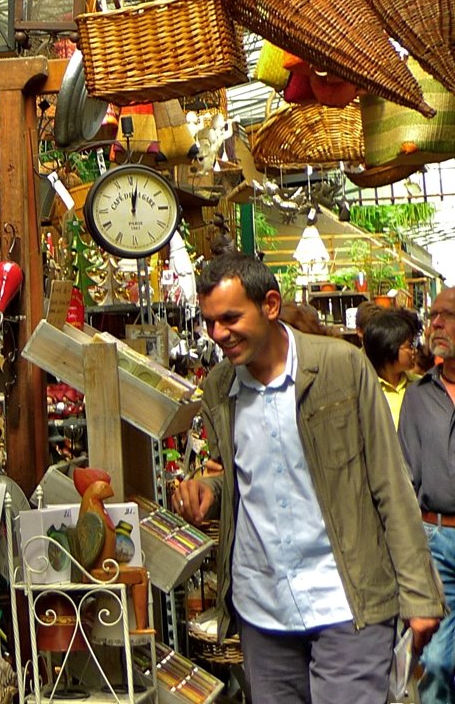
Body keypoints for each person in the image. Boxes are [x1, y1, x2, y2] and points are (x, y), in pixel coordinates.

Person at [174, 252, 441, 704]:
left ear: (271, 305)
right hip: (263, 611)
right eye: (210, 322)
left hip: (346, 601)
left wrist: (420, 596)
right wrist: (210, 491)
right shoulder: (221, 387)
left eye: (230, 318)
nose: (219, 334)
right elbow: (240, 479)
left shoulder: (340, 366)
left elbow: (389, 482)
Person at [397, 287, 455, 704]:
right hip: (436, 540)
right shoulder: (417, 397)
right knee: (436, 664)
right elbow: (405, 480)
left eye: (447, 316)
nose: (435, 324)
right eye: (433, 315)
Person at [363, 306, 422, 426]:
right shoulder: (366, 391)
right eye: (409, 346)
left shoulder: (421, 385)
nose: (414, 351)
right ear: (389, 347)